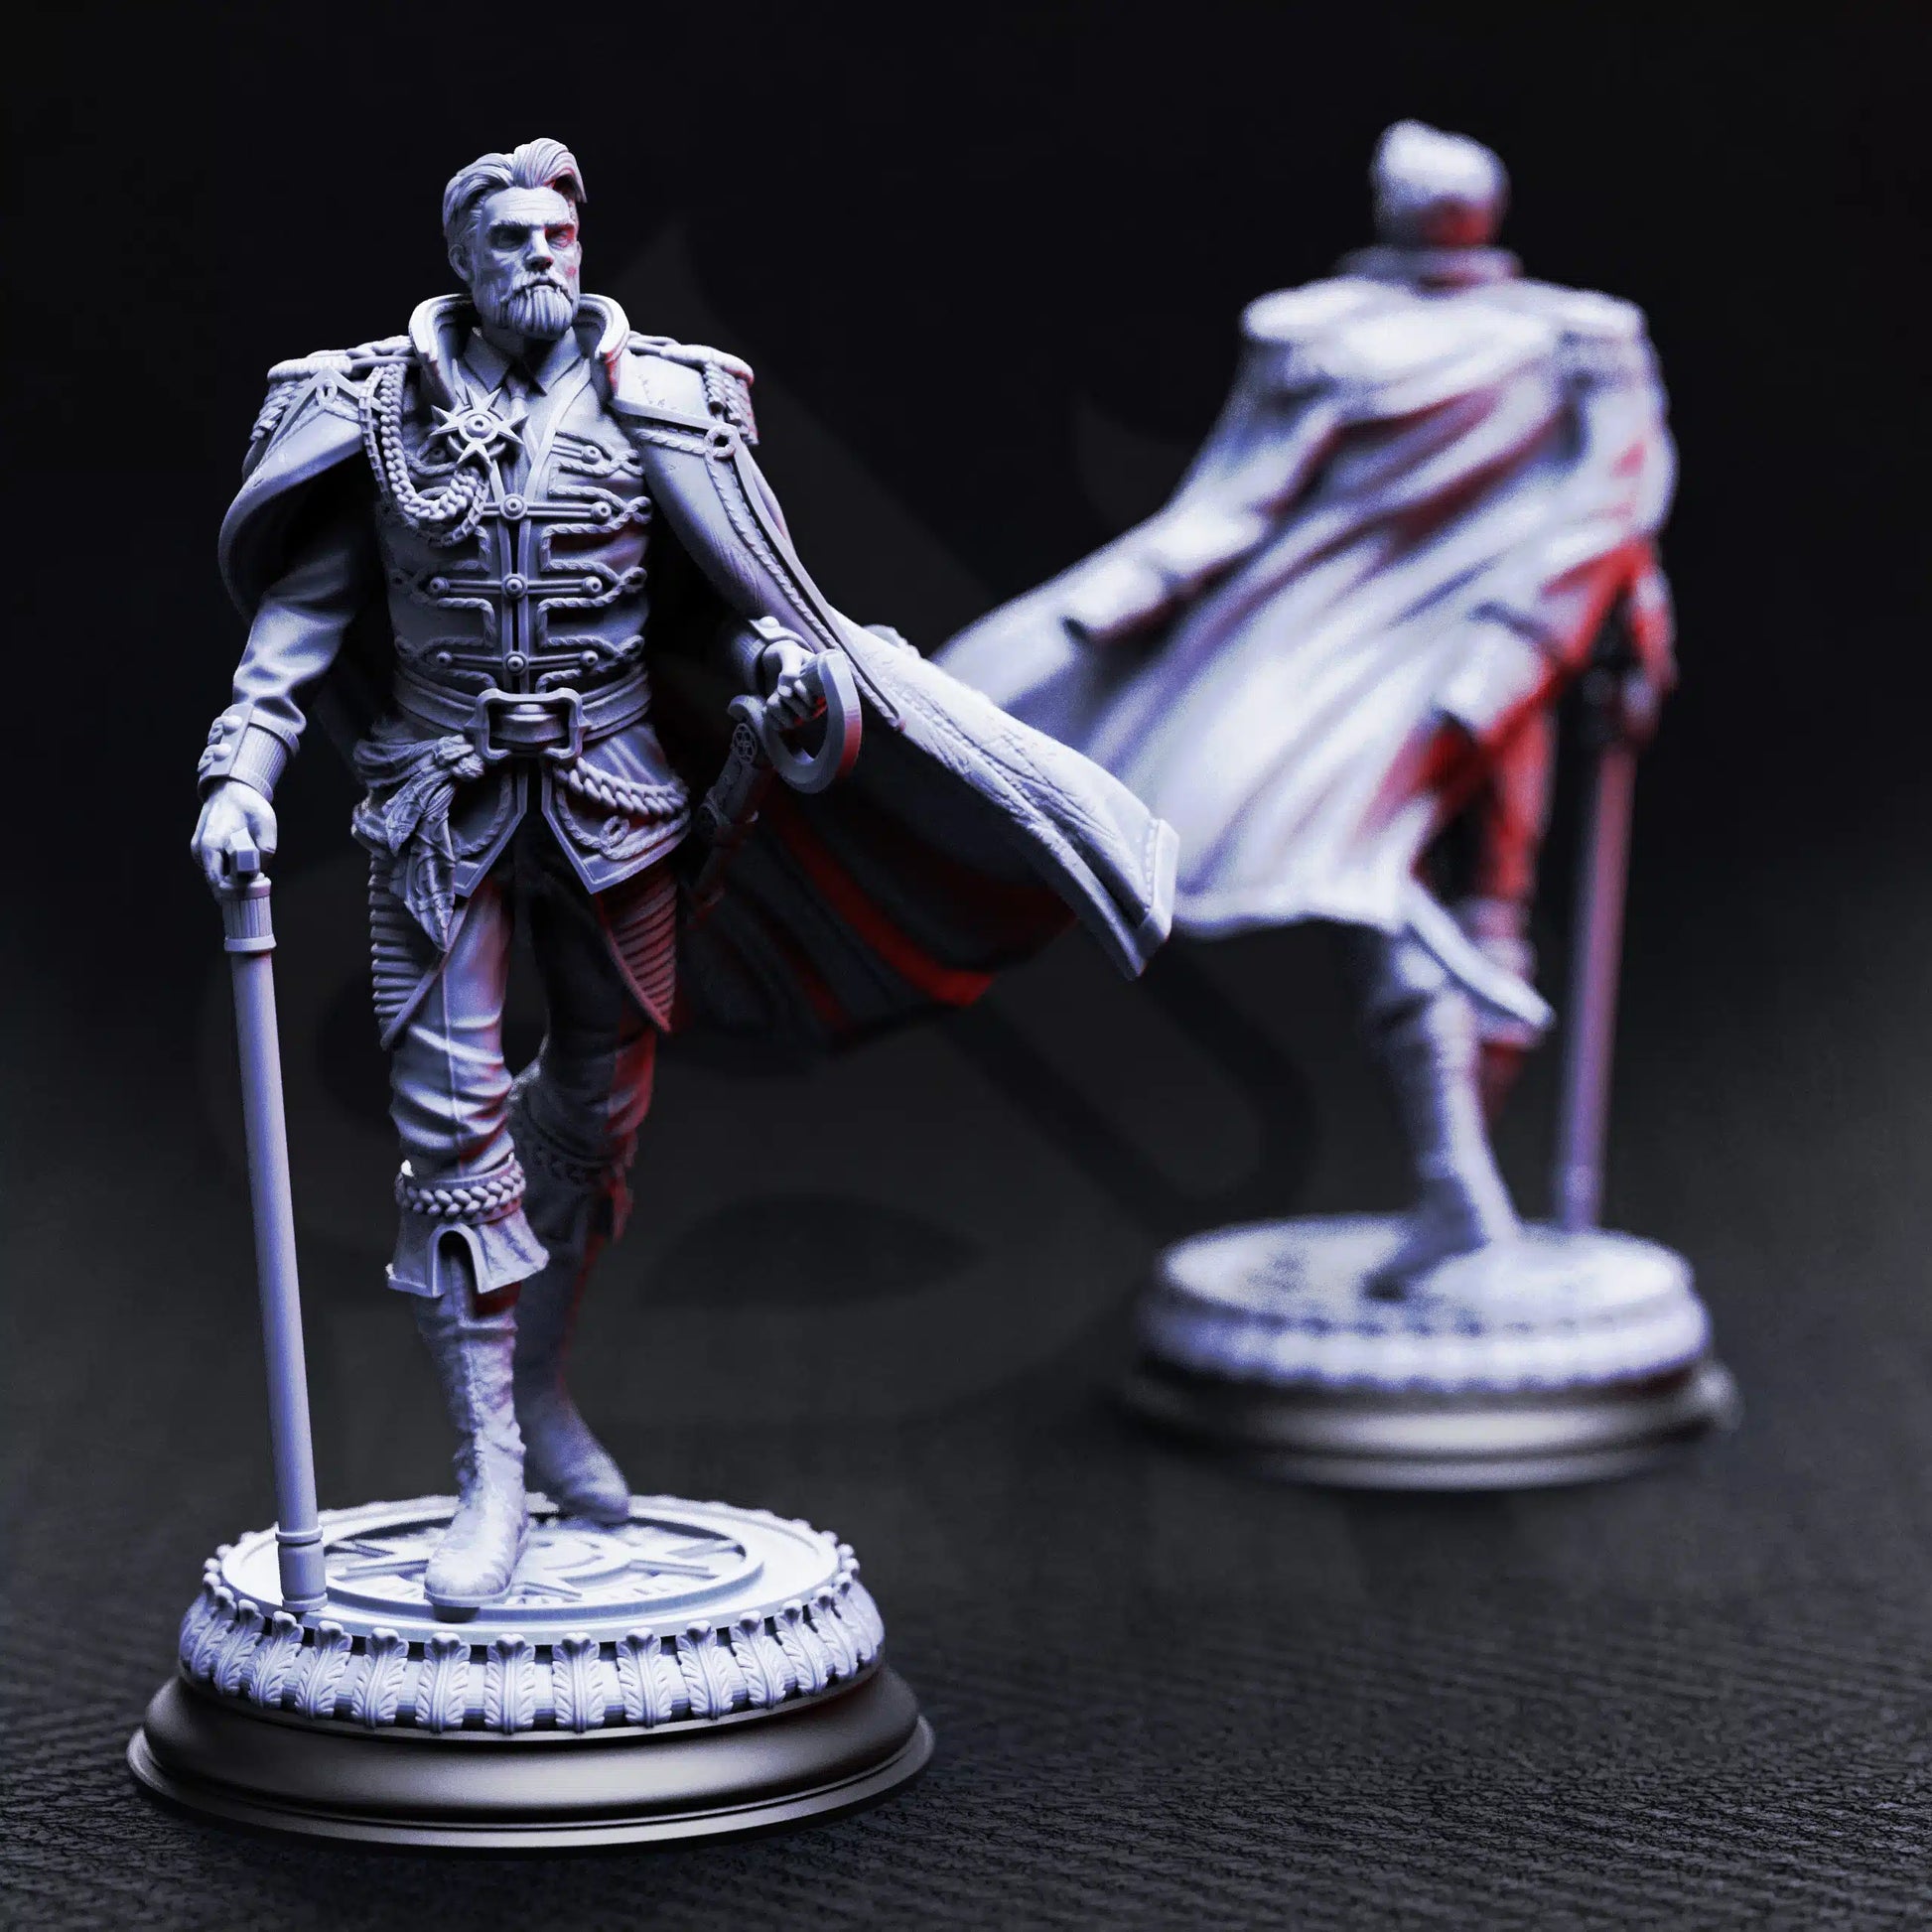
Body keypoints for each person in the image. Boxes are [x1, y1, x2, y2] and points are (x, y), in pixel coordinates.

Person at [193, 138, 1174, 1609]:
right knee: (454, 1137)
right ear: (461, 258)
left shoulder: (671, 401)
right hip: (438, 807)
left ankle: (542, 1383)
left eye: (559, 234)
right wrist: (240, 773)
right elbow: (298, 625)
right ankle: (487, 1468)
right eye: (510, 237)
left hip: (618, 803)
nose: (540, 257)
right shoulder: (373, 409)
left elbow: (721, 604)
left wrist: (779, 668)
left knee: (596, 1121)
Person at [938, 120, 1676, 1285]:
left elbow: (1610, 498)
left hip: (1457, 659)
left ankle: (1459, 1181)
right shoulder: (1334, 333)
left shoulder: (1560, 338)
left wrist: (1609, 622)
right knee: (1409, 891)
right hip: (1436, 657)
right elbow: (1238, 502)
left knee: (1398, 887)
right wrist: (1116, 599)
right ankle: (1459, 1181)